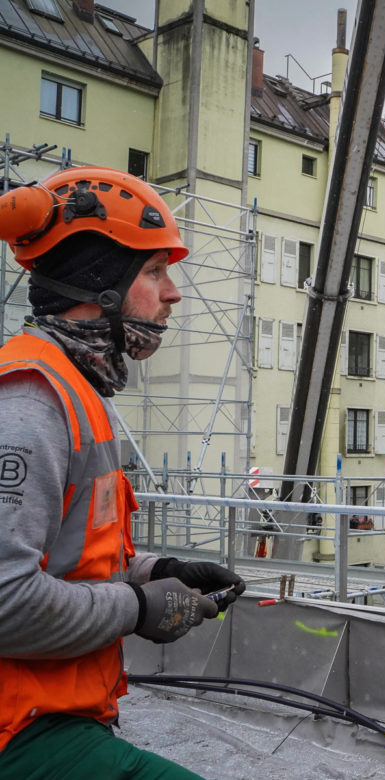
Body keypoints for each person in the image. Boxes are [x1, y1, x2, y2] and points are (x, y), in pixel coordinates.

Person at [0, 166, 247, 779]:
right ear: (100, 284)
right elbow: (4, 603)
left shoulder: (75, 390)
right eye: (154, 271)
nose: (173, 293)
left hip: (54, 710)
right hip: (19, 728)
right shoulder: (31, 406)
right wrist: (138, 607)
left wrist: (158, 571)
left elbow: (65, 556)